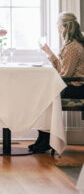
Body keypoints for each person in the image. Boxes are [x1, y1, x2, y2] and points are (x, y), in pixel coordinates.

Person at [29, 11, 84, 153]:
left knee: (44, 96)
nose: (58, 29)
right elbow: (63, 70)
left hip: (76, 87)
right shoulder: (72, 45)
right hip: (73, 84)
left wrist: (51, 57)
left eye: (58, 26)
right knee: (43, 95)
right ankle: (44, 138)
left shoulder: (72, 47)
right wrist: (49, 53)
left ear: (64, 28)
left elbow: (64, 75)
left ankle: (45, 139)